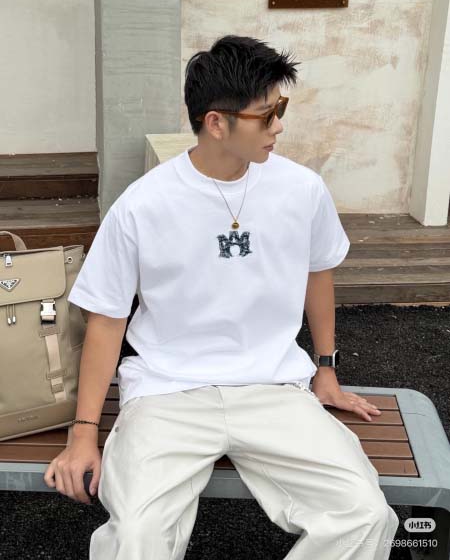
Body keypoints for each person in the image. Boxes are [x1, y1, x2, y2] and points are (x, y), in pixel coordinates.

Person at [44, 34, 399, 559]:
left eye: (280, 108)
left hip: (273, 387)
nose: (279, 126)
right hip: (167, 392)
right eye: (267, 114)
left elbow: (317, 273)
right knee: (137, 535)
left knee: (364, 515)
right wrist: (83, 434)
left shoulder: (302, 190)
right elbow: (107, 320)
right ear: (216, 122)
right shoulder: (143, 205)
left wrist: (326, 369)